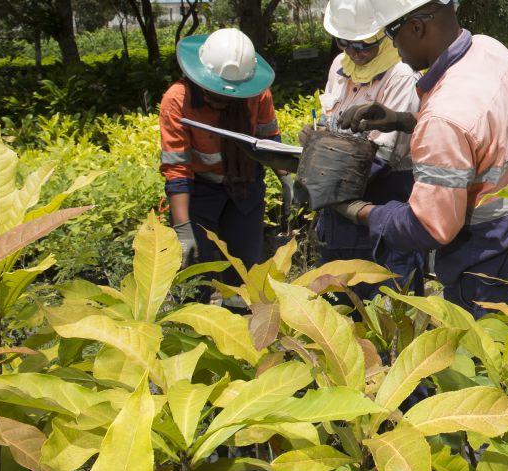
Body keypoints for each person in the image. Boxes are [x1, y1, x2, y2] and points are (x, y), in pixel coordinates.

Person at [334, 0, 508, 317]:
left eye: (391, 32)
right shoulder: (491, 51)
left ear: (416, 27)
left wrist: (361, 211)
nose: (392, 45)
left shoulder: (444, 118)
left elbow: (429, 227)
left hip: (483, 270)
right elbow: (478, 134)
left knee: (485, 348)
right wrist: (403, 120)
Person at [300, 0, 426, 298]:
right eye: (344, 43)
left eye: (363, 45)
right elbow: (330, 124)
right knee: (338, 303)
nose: (354, 53)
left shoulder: (401, 75)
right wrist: (315, 141)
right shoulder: (339, 67)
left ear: (384, 34)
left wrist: (322, 173)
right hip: (337, 211)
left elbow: (383, 156)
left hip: (383, 202)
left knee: (388, 301)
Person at [161, 28, 296, 302]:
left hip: (244, 185)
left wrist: (287, 179)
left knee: (245, 273)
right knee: (195, 272)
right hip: (198, 192)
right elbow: (177, 170)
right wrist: (183, 228)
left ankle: (242, 319)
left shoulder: (258, 94)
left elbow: (269, 140)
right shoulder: (177, 100)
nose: (223, 101)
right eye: (216, 95)